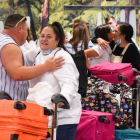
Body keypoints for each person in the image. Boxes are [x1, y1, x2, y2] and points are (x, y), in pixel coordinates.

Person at [29, 22, 82, 140]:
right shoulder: (38, 54)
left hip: (62, 118)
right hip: (43, 117)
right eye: (42, 36)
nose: (44, 39)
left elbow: (69, 83)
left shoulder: (61, 56)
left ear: (57, 40)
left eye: (49, 37)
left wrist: (63, 98)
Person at [0, 14, 64, 101]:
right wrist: (45, 67)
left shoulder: (3, 40)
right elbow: (17, 73)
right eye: (27, 31)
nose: (27, 35)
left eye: (48, 37)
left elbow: (27, 56)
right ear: (19, 29)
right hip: (8, 105)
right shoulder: (10, 45)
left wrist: (44, 50)